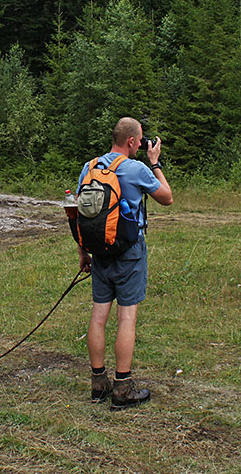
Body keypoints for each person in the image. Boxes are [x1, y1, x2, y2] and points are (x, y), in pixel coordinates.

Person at [77, 117, 173, 410]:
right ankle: (122, 387)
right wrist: (154, 162)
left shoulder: (90, 167)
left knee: (98, 316)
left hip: (99, 251)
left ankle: (98, 383)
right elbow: (167, 197)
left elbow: (80, 212)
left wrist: (83, 252)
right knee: (126, 317)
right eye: (140, 140)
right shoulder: (136, 168)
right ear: (132, 142)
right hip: (129, 252)